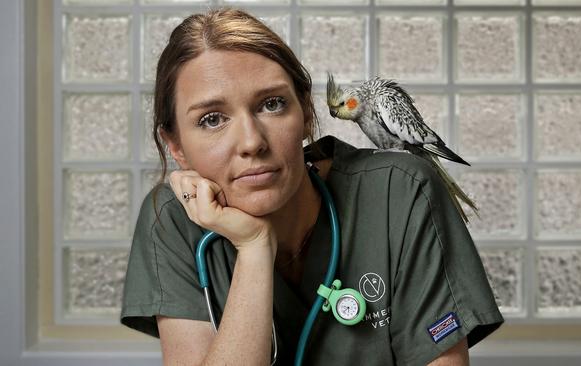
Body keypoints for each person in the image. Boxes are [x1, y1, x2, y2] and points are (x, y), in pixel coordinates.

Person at [120, 8, 503, 366]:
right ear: (175, 146)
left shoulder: (401, 192)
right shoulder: (170, 220)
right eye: (212, 119)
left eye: (271, 104)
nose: (252, 142)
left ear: (305, 113)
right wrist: (254, 249)